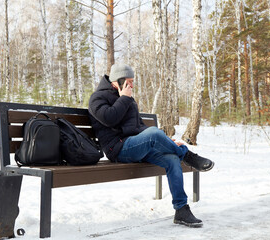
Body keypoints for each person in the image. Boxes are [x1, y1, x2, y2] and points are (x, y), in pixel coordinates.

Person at [88, 63, 214, 228]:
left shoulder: (128, 99)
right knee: (155, 134)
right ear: (117, 82)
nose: (132, 85)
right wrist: (124, 98)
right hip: (117, 149)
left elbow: (140, 127)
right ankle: (188, 156)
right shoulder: (98, 98)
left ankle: (181, 210)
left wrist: (167, 142)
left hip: (136, 146)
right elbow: (109, 118)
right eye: (129, 82)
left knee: (171, 159)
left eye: (133, 81)